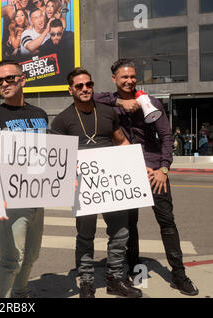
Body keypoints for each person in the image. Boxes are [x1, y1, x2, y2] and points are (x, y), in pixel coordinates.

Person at [94, 58, 199, 296]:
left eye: (133, 76)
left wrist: (164, 168)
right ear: (114, 79)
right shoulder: (110, 103)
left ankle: (179, 275)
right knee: (129, 225)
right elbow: (87, 97)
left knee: (167, 223)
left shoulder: (150, 102)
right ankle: (132, 270)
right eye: (124, 77)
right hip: (127, 172)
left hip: (153, 172)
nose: (130, 80)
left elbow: (166, 136)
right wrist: (119, 101)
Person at [50, 67, 142, 298]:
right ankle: (87, 283)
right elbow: (59, 158)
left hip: (111, 184)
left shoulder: (109, 112)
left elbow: (121, 142)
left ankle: (115, 279)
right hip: (83, 188)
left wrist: (135, 163)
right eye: (79, 86)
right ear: (70, 89)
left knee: (120, 233)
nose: (85, 89)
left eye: (88, 84)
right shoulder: (62, 120)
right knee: (85, 236)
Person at [0, 60, 49, 298]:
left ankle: (20, 295)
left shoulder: (39, 114)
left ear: (22, 79)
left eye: (9, 79)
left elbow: (48, 153)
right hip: (9, 202)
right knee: (11, 261)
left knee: (31, 256)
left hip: (37, 197)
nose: (3, 84)